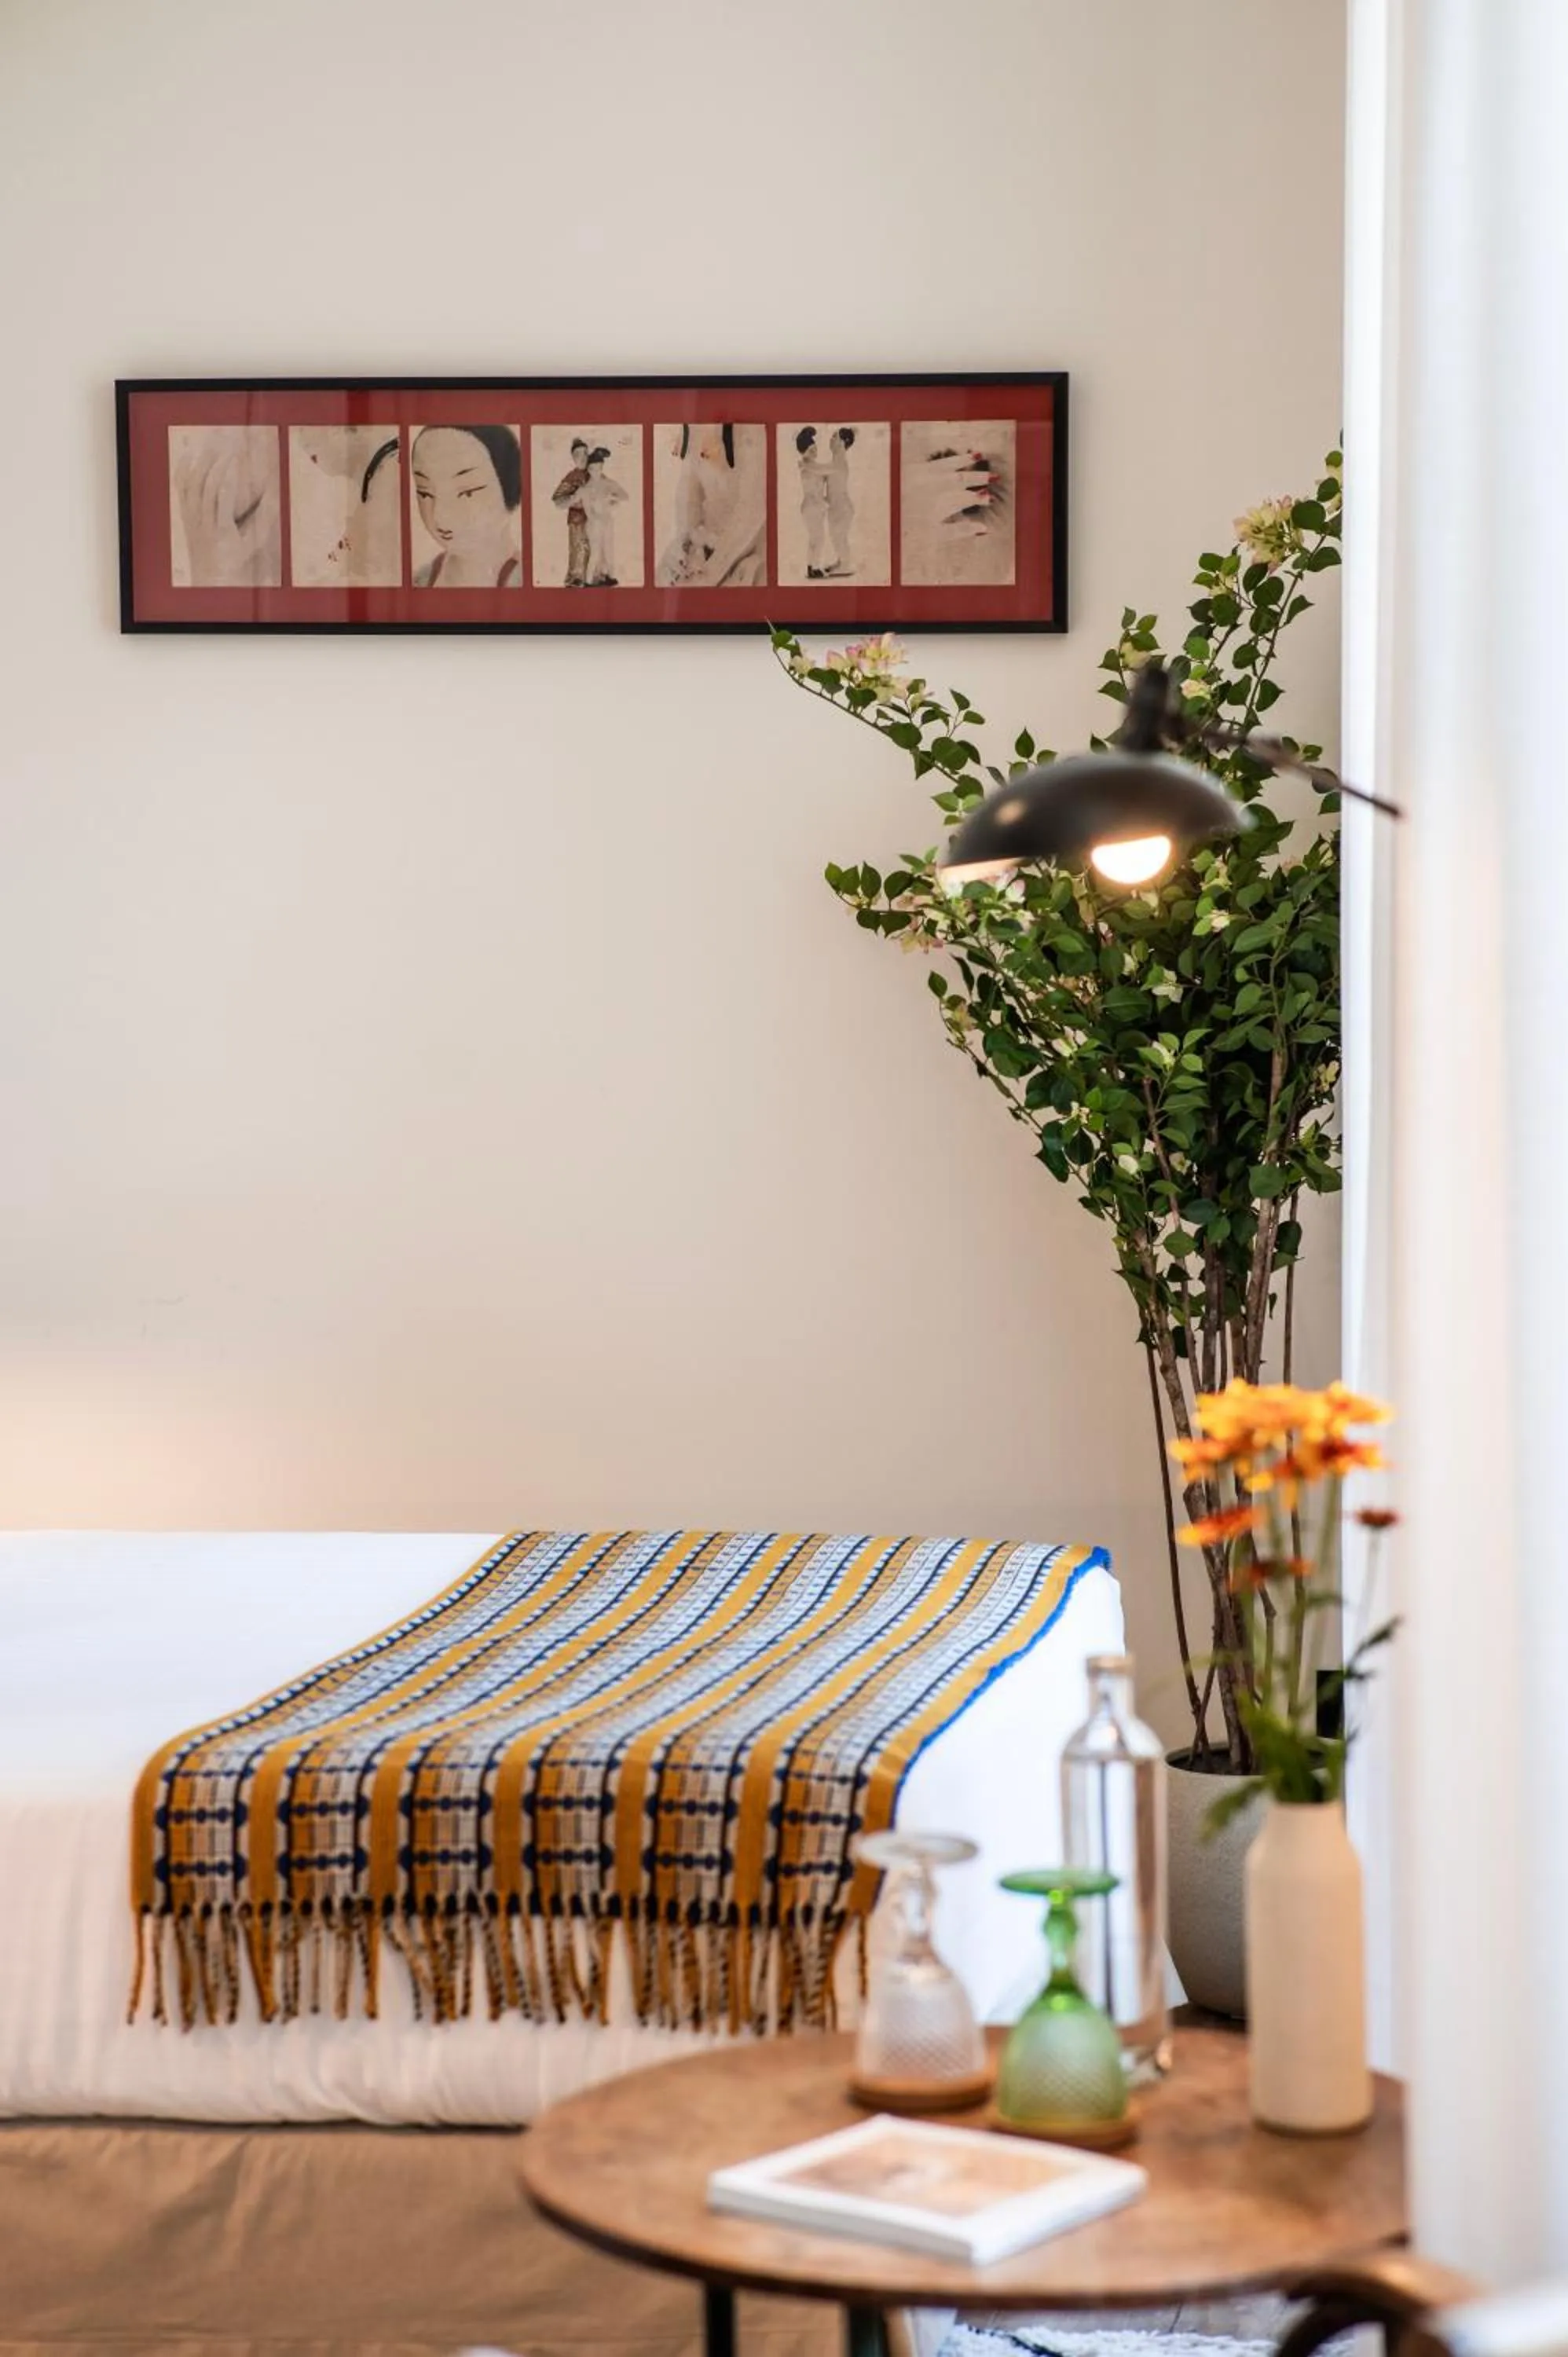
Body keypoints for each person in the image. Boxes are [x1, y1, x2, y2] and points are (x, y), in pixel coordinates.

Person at [412, 423, 522, 588]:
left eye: (467, 493)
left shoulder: (522, 579)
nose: (439, 516)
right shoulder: (422, 579)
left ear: (510, 486)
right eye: (425, 493)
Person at [658, 423, 765, 588]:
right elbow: (689, 494)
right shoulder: (693, 425)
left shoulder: (750, 428)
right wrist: (684, 546)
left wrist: (710, 573)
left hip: (747, 548)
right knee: (663, 577)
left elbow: (753, 508)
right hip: (705, 547)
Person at [577, 448, 628, 586]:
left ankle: (608, 576)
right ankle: (588, 581)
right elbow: (588, 511)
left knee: (608, 550)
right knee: (596, 552)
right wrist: (597, 519)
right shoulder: (586, 489)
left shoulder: (608, 483)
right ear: (588, 469)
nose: (596, 472)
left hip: (607, 522)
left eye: (599, 468)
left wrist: (613, 498)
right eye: (593, 469)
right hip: (594, 524)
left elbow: (625, 496)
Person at [551, 438, 592, 587]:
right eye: (579, 454)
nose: (583, 457)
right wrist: (574, 498)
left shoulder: (592, 473)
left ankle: (584, 579)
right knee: (579, 548)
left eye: (586, 454)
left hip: (593, 520)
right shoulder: (572, 477)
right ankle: (575, 579)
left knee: (588, 549)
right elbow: (557, 499)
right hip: (577, 519)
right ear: (574, 458)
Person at [795, 426, 832, 577]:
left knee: (815, 538)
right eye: (811, 450)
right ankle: (814, 567)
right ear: (805, 452)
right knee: (818, 538)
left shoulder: (810, 466)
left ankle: (811, 566)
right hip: (812, 506)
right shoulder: (808, 466)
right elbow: (824, 472)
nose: (815, 452)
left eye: (815, 449)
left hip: (812, 506)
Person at [826, 427, 856, 576]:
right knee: (836, 536)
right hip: (837, 506)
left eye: (834, 437)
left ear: (843, 443)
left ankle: (846, 565)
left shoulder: (839, 460)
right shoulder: (836, 460)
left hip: (841, 507)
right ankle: (841, 562)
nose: (830, 440)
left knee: (839, 537)